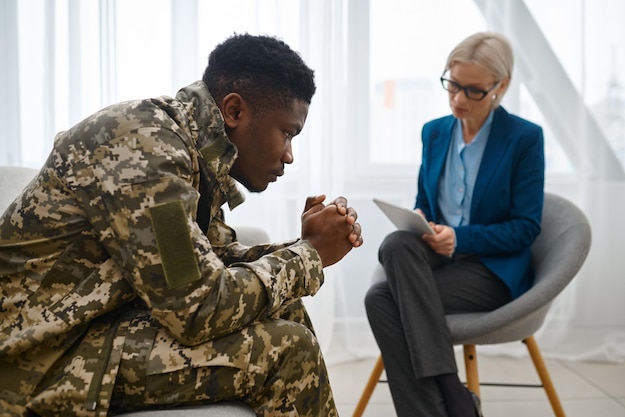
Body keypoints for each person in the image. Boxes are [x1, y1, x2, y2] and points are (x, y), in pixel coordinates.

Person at [0, 34, 363, 417]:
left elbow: (213, 262)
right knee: (288, 349)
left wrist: (302, 245)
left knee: (287, 311)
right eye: (287, 133)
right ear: (235, 111)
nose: (289, 155)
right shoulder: (143, 148)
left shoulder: (191, 149)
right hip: (36, 352)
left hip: (95, 326)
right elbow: (196, 309)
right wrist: (308, 256)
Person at [365, 31, 545, 417]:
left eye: (473, 91)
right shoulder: (433, 132)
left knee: (380, 300)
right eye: (452, 85)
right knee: (396, 243)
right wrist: (423, 223)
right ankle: (454, 394)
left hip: (489, 270)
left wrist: (459, 238)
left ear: (502, 86)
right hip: (435, 259)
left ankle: (437, 404)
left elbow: (527, 227)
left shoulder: (525, 139)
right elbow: (424, 202)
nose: (458, 99)